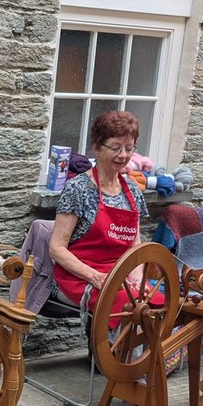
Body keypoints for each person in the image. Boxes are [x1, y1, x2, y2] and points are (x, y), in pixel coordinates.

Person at [48, 110, 151, 313]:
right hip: (78, 278)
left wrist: (138, 280)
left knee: (158, 303)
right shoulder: (78, 188)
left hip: (118, 277)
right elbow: (56, 248)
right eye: (116, 148)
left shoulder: (133, 191)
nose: (123, 155)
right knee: (130, 309)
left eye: (129, 148)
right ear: (96, 147)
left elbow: (135, 246)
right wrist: (95, 277)